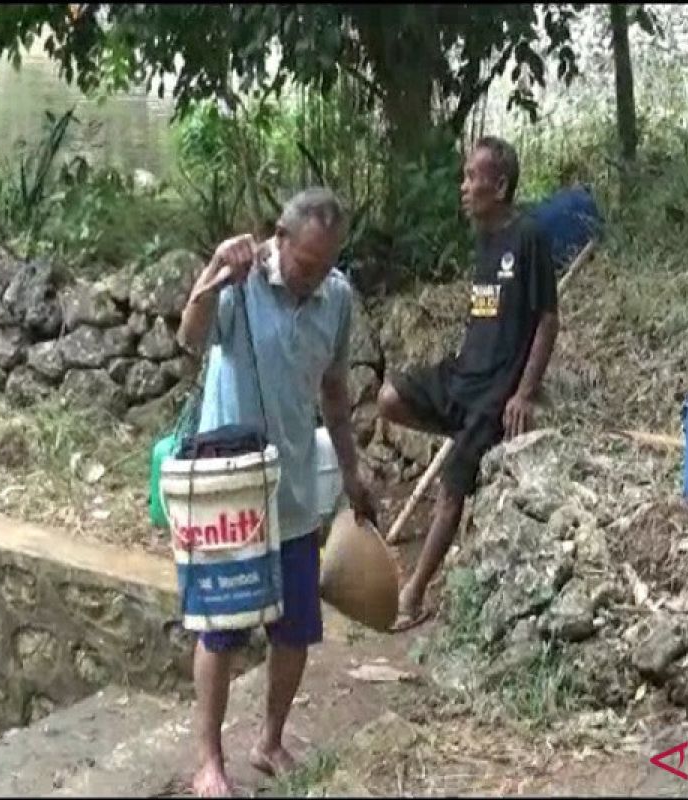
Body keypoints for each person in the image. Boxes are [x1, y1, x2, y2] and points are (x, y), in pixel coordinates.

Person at [176, 187, 378, 797]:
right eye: (303, 263)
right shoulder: (240, 280)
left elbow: (335, 395)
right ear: (278, 240)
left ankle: (268, 741)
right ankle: (209, 760)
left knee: (294, 628)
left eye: (325, 265)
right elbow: (190, 337)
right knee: (220, 627)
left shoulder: (334, 298)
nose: (312, 276)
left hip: (291, 489)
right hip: (228, 490)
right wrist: (212, 272)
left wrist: (350, 474)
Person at [377, 136, 560, 632]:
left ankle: (413, 595)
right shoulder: (484, 237)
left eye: (471, 177)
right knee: (389, 398)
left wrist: (523, 392)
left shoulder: (529, 237)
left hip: (495, 390)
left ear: (499, 185)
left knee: (450, 487)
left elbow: (546, 320)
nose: (464, 187)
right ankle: (467, 444)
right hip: (462, 373)